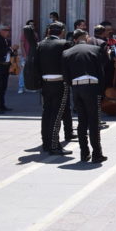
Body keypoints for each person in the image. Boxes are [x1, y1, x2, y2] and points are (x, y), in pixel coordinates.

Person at [62, 29, 107, 163]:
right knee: (93, 121)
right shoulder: (95, 49)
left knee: (82, 122)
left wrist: (73, 85)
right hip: (91, 85)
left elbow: (66, 75)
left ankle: (84, 153)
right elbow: (101, 71)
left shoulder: (66, 52)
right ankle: (97, 153)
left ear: (75, 39)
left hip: (76, 87)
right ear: (86, 37)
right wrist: (102, 90)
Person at [35, 22, 72, 155]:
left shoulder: (40, 45)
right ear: (62, 31)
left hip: (45, 82)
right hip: (59, 82)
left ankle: (46, 143)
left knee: (47, 113)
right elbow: (68, 64)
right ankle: (54, 145)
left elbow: (35, 64)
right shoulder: (64, 44)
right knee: (57, 114)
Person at [0, 23, 17, 114]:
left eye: (8, 30)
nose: (7, 32)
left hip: (6, 66)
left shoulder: (7, 41)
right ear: (0, 31)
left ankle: (2, 105)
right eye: (5, 30)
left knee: (3, 86)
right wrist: (10, 49)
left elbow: (10, 54)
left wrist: (14, 52)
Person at [17, 20, 35, 94]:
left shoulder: (35, 34)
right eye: (30, 25)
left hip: (33, 56)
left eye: (33, 25)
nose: (32, 26)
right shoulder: (24, 34)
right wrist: (24, 55)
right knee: (23, 72)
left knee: (32, 72)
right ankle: (21, 87)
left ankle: (30, 87)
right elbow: (22, 44)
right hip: (26, 56)